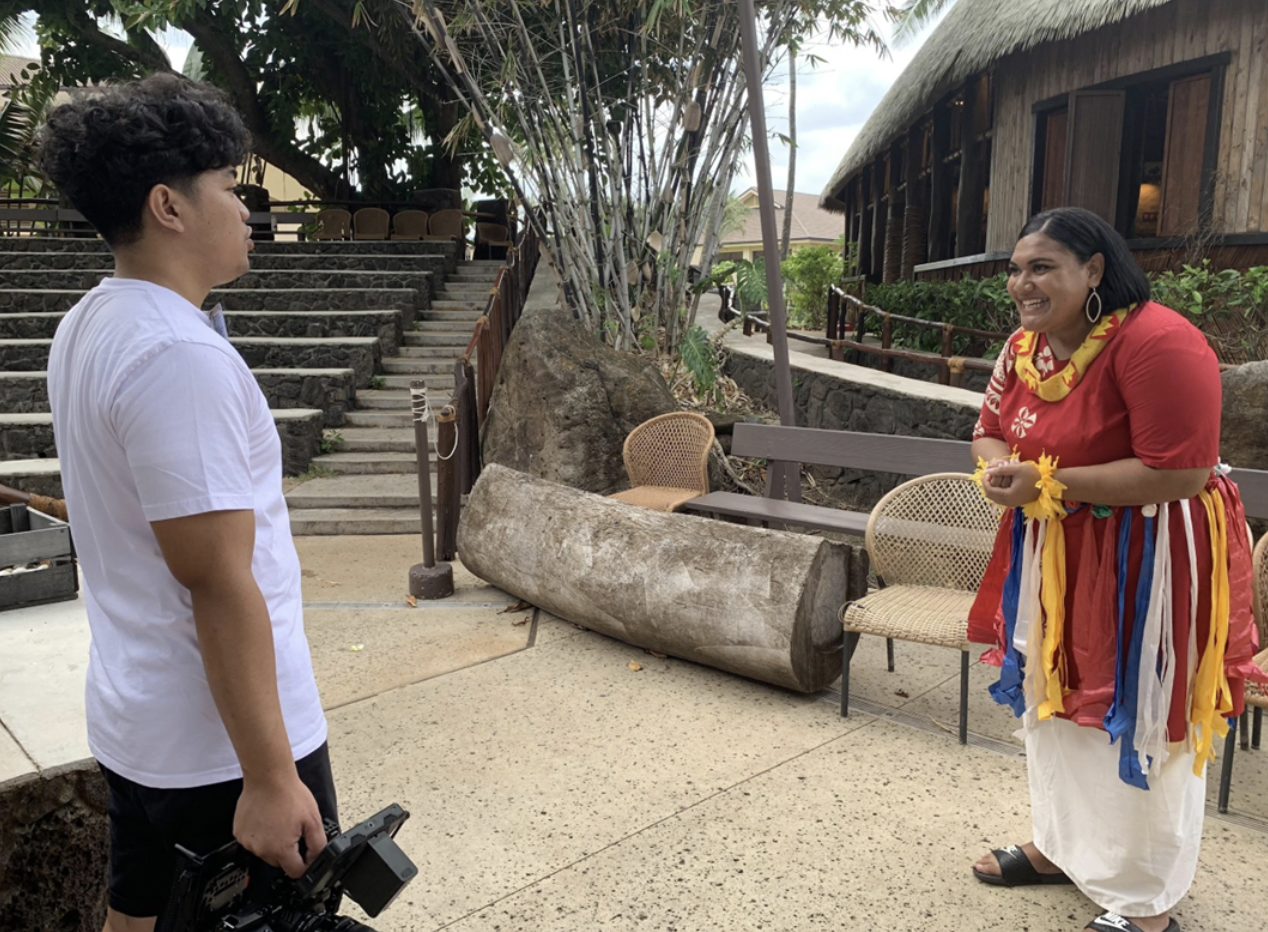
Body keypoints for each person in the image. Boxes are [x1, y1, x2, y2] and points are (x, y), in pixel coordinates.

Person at [36, 74, 334, 932]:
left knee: (135, 914)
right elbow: (215, 578)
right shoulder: (177, 355)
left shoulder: (91, 323)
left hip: (142, 725)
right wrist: (273, 778)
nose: (248, 210)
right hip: (221, 755)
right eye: (233, 190)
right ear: (169, 205)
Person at [965, 207, 1264, 932]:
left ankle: (1145, 898)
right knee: (1055, 696)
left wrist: (1047, 483)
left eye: (1041, 267)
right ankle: (1062, 848)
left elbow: (1183, 472)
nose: (1021, 284)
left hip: (1151, 557)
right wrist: (1004, 471)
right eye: (1015, 268)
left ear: (1093, 270)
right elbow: (990, 429)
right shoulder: (1024, 347)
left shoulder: (1158, 342)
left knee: (1138, 710)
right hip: (1055, 552)